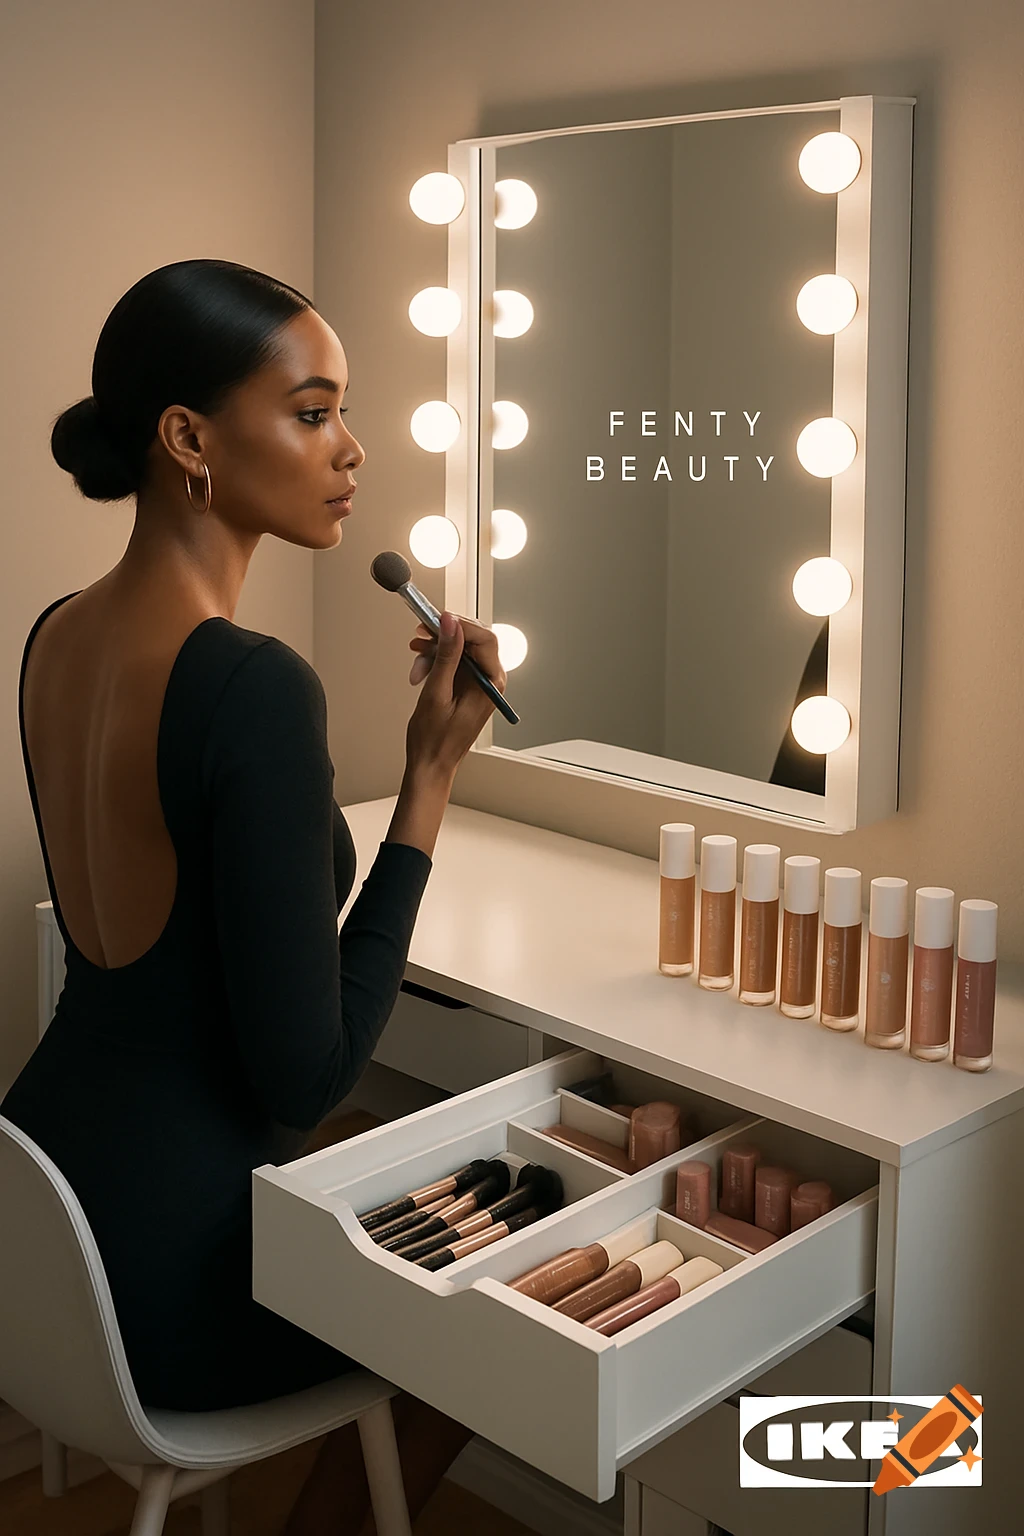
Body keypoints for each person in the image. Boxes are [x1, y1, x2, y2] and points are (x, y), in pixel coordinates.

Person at [0, 258, 506, 1534]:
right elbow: (303, 1079)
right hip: (159, 1293)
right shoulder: (251, 687)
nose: (353, 448)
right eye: (313, 410)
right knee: (492, 1305)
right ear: (188, 439)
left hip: (39, 1219)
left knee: (366, 1181)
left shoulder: (56, 635)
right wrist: (428, 783)